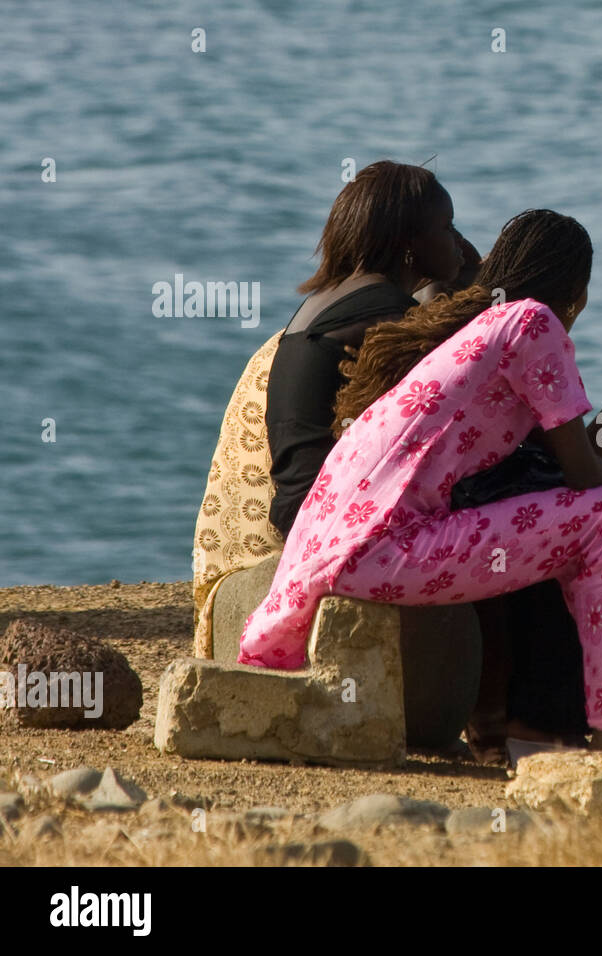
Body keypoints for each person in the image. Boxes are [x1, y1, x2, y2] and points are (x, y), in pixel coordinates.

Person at [238, 210, 602, 755]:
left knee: (600, 509)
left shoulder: (483, 329)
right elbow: (587, 472)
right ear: (577, 291)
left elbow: (579, 458)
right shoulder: (532, 324)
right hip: (382, 547)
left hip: (336, 549)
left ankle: (557, 725)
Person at [190, 159, 475, 664]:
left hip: (289, 517)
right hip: (315, 529)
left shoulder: (327, 302)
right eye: (447, 227)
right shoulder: (387, 319)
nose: (457, 240)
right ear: (410, 242)